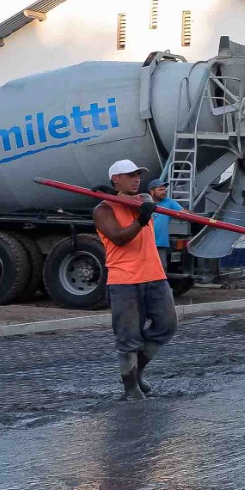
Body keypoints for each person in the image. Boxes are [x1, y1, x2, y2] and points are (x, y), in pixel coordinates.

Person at [92, 159, 178, 399]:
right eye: (130, 175)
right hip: (124, 280)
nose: (137, 178)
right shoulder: (103, 210)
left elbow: (145, 200)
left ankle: (137, 371)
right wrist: (140, 219)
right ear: (116, 179)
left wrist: (136, 207)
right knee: (129, 337)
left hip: (155, 276)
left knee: (167, 325)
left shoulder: (144, 200)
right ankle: (131, 389)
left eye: (138, 174)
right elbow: (119, 238)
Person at [146, 177, 184, 273]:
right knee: (145, 268)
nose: (163, 192)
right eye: (160, 190)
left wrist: (192, 215)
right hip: (145, 243)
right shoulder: (143, 202)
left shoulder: (169, 202)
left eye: (164, 190)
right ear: (152, 192)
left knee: (161, 269)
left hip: (160, 243)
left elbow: (184, 213)